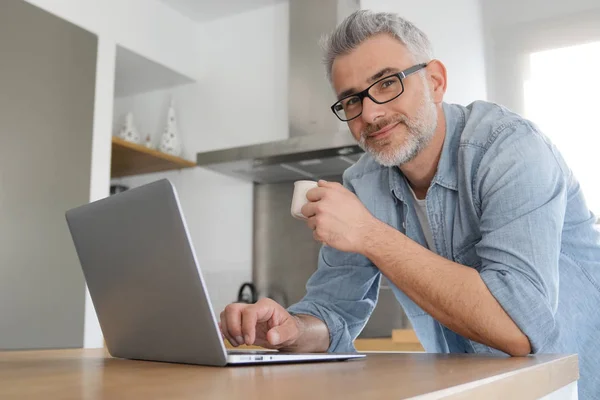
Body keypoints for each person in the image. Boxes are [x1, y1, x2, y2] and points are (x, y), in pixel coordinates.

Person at [219, 10, 600, 398]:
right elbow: (334, 313)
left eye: (386, 83)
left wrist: (368, 233)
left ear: (435, 81)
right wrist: (291, 329)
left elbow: (522, 330)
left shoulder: (511, 149)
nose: (370, 113)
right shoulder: (362, 183)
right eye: (351, 100)